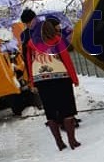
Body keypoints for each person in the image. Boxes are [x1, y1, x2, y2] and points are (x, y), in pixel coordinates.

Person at [25, 17, 81, 150]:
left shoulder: (30, 44)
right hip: (60, 78)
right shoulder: (57, 41)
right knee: (67, 110)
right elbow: (66, 60)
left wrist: (32, 82)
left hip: (41, 80)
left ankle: (59, 143)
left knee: (50, 111)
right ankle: (72, 141)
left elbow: (29, 63)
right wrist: (74, 78)